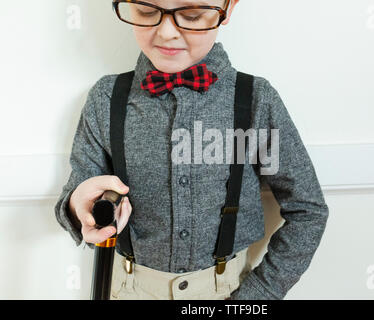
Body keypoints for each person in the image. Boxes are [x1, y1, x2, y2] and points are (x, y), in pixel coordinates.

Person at [54, 0, 329, 300]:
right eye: (147, 12)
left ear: (228, 7)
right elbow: (74, 198)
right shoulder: (106, 99)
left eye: (191, 15)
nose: (167, 32)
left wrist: (258, 295)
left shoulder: (256, 101)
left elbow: (308, 210)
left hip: (230, 292)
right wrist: (77, 207)